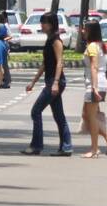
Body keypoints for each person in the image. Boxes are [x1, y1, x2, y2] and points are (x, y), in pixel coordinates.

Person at [22, 11, 72, 156]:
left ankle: (36, 145)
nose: (41, 25)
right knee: (59, 115)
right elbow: (45, 64)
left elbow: (59, 63)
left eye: (44, 22)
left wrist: (55, 82)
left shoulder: (56, 41)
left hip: (55, 81)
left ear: (51, 24)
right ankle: (66, 147)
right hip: (51, 80)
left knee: (35, 111)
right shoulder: (49, 40)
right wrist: (33, 81)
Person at [80, 20, 107, 158]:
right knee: (86, 115)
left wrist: (94, 88)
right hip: (99, 83)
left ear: (90, 31)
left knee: (91, 117)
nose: (82, 31)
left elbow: (94, 67)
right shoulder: (100, 45)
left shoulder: (92, 47)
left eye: (85, 29)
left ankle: (95, 149)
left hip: (95, 84)